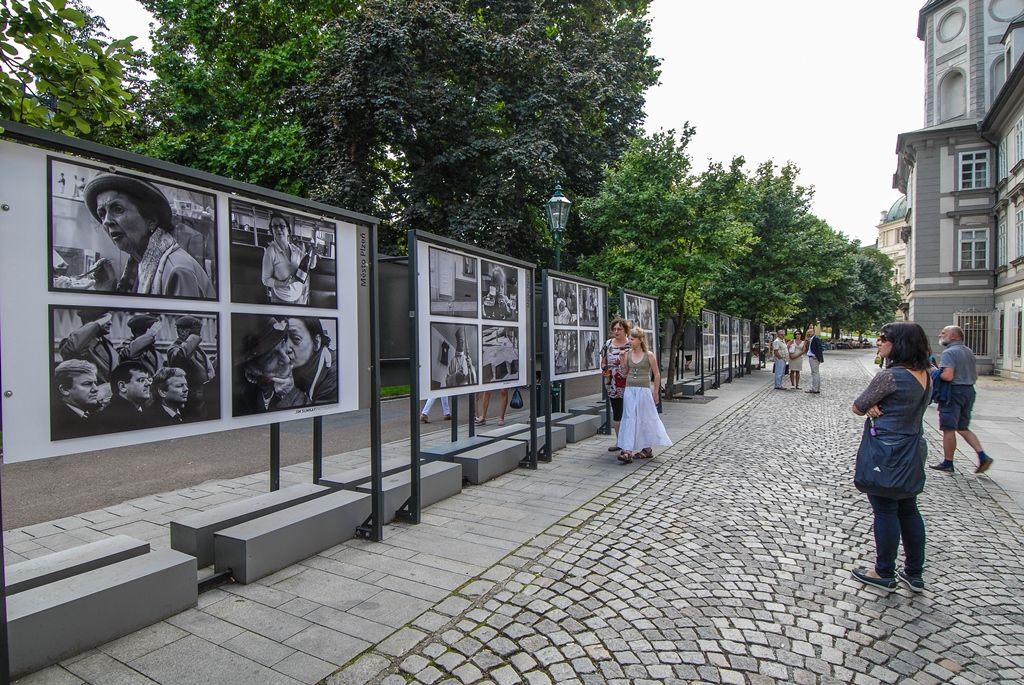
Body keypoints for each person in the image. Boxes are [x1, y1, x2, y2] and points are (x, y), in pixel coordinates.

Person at [850, 322, 931, 592]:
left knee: (885, 510)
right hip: (912, 448)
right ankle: (914, 572)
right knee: (909, 509)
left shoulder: (891, 376)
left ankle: (883, 571)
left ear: (900, 343)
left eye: (884, 338)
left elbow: (857, 406)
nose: (879, 342)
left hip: (887, 450)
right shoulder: (926, 374)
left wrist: (871, 405)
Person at [83, 174, 215, 298]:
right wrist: (108, 289)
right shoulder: (139, 264)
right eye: (102, 214)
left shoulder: (178, 270)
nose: (106, 221)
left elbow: (182, 322)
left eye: (118, 209)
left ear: (151, 220)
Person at [928, 325, 995, 474]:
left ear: (954, 336)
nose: (940, 335)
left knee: (948, 428)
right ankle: (982, 455)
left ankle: (948, 462)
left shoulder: (949, 352)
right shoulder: (968, 351)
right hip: (969, 391)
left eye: (944, 333)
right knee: (962, 427)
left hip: (953, 392)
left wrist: (935, 372)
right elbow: (974, 375)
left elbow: (948, 376)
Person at [616, 327, 671, 463]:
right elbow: (624, 374)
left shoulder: (649, 355)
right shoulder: (628, 354)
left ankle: (647, 448)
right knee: (629, 417)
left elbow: (656, 374)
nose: (629, 341)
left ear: (640, 340)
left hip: (644, 390)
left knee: (645, 417)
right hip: (630, 389)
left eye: (632, 339)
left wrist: (656, 392)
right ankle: (627, 450)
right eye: (629, 338)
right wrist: (622, 362)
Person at [236, 317, 306, 413]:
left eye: (283, 344)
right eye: (271, 357)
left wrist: (291, 393)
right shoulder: (240, 401)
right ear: (251, 373)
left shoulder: (303, 378)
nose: (286, 359)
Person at [262, 212, 317, 304]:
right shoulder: (270, 251)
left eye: (282, 226)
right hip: (281, 299)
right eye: (274, 226)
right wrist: (283, 284)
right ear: (271, 230)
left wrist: (313, 254)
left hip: (299, 298)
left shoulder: (295, 249)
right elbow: (266, 280)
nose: (278, 229)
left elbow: (311, 266)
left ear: (288, 230)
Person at [166, 316, 215, 418]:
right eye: (194, 333)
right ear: (182, 331)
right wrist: (194, 338)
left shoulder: (197, 349)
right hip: (189, 402)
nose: (198, 336)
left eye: (198, 333)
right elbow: (179, 359)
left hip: (204, 401)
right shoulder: (174, 349)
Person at [286, 317, 337, 404]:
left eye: (296, 339)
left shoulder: (334, 372)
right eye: (283, 339)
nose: (286, 348)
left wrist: (290, 391)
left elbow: (322, 411)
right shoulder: (293, 363)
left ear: (316, 342)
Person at [58, 310, 117, 386]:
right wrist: (96, 325)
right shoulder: (75, 343)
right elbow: (72, 348)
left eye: (109, 319)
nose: (110, 322)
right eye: (104, 319)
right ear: (89, 323)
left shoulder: (108, 343)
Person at [51, 360, 102, 440]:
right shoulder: (58, 422)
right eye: (87, 384)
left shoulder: (97, 411)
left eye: (95, 383)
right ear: (64, 389)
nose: (96, 389)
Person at [602, 318, 631, 453]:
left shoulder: (631, 345)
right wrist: (605, 368)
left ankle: (630, 442)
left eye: (619, 329)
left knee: (630, 412)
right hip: (612, 382)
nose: (616, 331)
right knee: (617, 411)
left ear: (625, 330)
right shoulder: (608, 344)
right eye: (614, 329)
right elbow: (603, 361)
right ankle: (620, 441)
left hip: (629, 383)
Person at [102, 361, 154, 430]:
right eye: (141, 380)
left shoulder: (143, 411)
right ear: (122, 386)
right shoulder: (111, 418)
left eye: (148, 380)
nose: (148, 384)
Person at [805, 327, 825, 394]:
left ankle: (815, 389)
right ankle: (816, 388)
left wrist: (816, 356)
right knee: (815, 373)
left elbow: (820, 348)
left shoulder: (816, 339)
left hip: (814, 358)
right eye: (808, 332)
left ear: (813, 332)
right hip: (812, 357)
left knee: (815, 373)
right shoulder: (811, 339)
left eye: (810, 332)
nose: (809, 333)